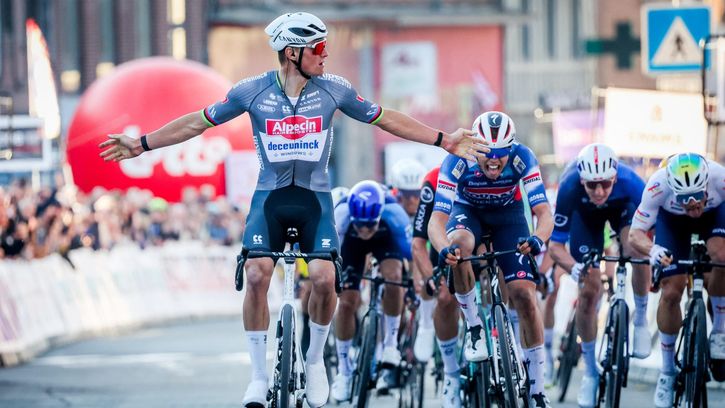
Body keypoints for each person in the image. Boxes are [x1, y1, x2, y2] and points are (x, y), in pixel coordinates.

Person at [98, 11, 487, 408]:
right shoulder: (251, 91)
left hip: (314, 200)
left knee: (323, 278)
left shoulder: (334, 90)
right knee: (256, 273)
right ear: (291, 52)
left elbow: (386, 119)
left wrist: (443, 140)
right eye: (318, 47)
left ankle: (315, 361)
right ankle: (258, 376)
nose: (325, 54)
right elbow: (197, 123)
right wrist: (142, 144)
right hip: (271, 198)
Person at [429, 111, 554, 407]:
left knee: (524, 295)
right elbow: (437, 221)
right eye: (487, 153)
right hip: (467, 213)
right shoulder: (457, 159)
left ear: (511, 147)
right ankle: (474, 326)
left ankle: (537, 388)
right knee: (460, 247)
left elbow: (544, 214)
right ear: (475, 147)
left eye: (501, 153)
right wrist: (444, 248)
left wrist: (538, 239)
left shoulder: (523, 157)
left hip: (508, 217)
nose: (494, 160)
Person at [548, 143, 650, 407]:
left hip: (623, 210)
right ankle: (590, 372)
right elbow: (555, 247)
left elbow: (652, 231)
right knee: (589, 290)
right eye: (592, 185)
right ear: (582, 180)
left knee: (636, 250)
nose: (599, 191)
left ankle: (640, 318)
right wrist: (574, 268)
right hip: (586, 221)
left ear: (614, 177)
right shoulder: (569, 186)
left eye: (605, 184)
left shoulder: (631, 183)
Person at [628, 153, 725, 408]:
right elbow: (635, 234)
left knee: (721, 256)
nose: (692, 204)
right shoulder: (657, 186)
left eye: (697, 195)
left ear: (706, 185)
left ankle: (719, 331)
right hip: (672, 224)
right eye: (684, 198)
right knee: (671, 291)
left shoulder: (720, 177)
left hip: (714, 215)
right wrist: (653, 250)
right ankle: (668, 371)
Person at [330, 180, 411, 401]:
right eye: (360, 225)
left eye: (370, 225)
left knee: (394, 278)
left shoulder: (394, 213)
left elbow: (412, 254)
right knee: (346, 303)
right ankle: (344, 371)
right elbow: (331, 255)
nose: (365, 231)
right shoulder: (341, 215)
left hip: (386, 241)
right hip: (351, 246)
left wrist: (414, 284)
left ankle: (391, 344)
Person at [409, 165, 464, 407]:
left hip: (473, 238)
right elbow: (418, 244)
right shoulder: (433, 181)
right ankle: (426, 326)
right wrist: (431, 278)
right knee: (443, 295)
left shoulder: (486, 173)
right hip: (442, 243)